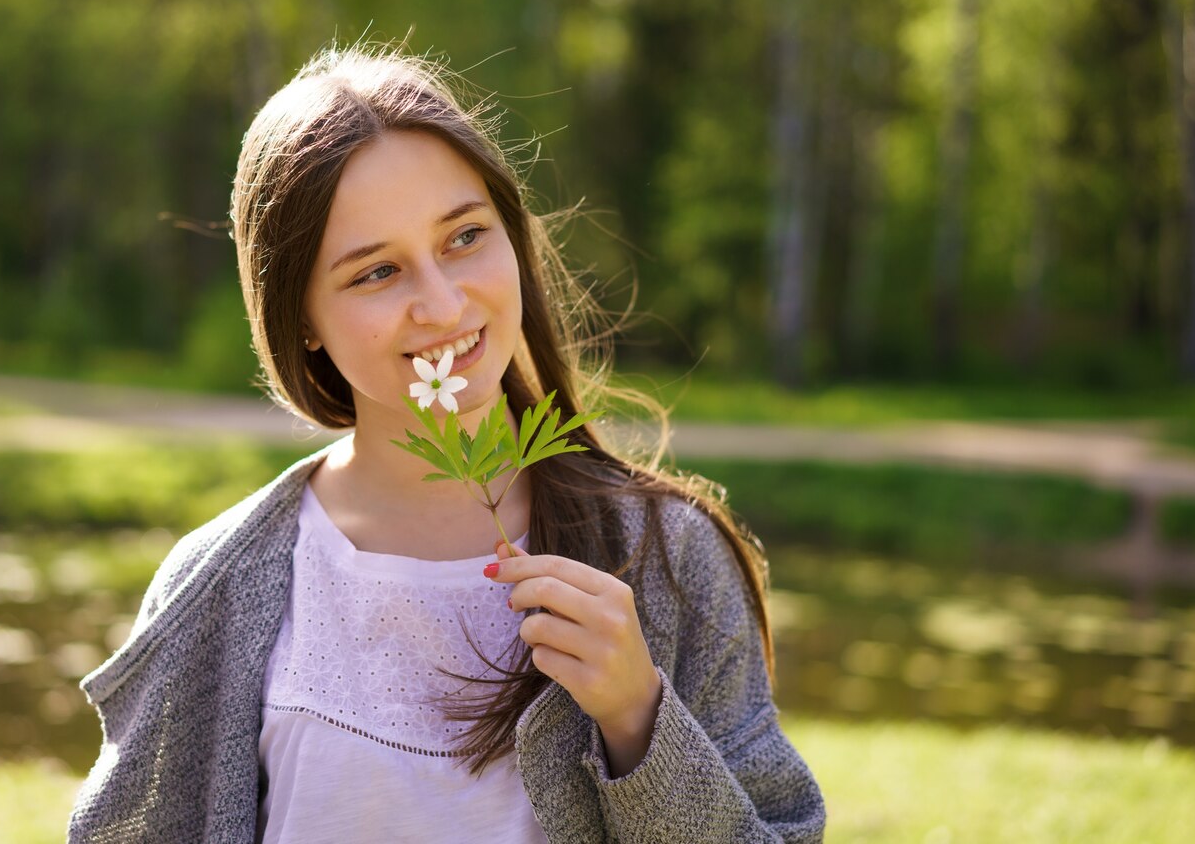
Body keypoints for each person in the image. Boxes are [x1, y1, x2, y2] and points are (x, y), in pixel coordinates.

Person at [67, 45, 825, 844]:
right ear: (301, 321)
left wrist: (640, 720)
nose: (441, 302)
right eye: (375, 273)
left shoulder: (669, 554)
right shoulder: (214, 586)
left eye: (464, 237)